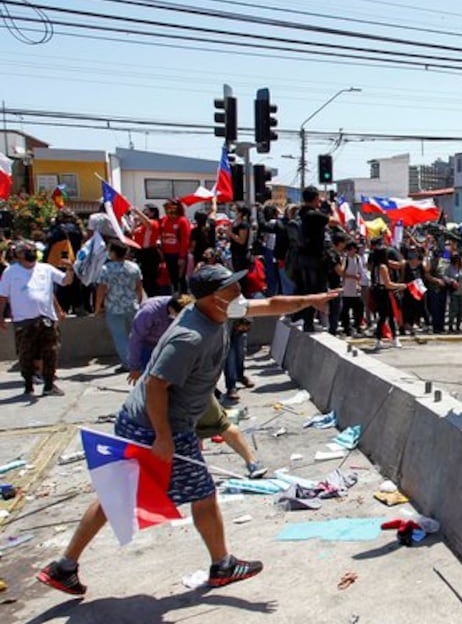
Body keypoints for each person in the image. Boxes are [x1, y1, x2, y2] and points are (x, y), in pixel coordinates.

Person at [36, 265, 338, 596]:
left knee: (118, 495)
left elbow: (270, 304)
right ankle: (222, 565)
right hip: (158, 425)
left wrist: (312, 299)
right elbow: (155, 385)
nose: (239, 293)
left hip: (146, 422)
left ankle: (64, 566)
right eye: (231, 288)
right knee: (202, 494)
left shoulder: (218, 310)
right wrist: (163, 437)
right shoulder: (189, 337)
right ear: (212, 297)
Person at [127, 293, 265, 478]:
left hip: (190, 391)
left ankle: (251, 462)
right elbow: (139, 343)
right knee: (208, 427)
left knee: (218, 424)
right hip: (184, 391)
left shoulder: (192, 332)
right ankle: (241, 462)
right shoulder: (170, 319)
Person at [0, 240, 75, 396]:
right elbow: (3, 296)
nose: (31, 252)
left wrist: (70, 268)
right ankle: (28, 384)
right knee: (26, 353)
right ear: (18, 254)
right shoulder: (10, 272)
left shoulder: (46, 268)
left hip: (46, 318)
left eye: (33, 249)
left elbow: (65, 281)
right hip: (23, 320)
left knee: (51, 352)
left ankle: (49, 385)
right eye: (26, 250)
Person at [94, 241, 144, 372]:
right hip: (132, 305)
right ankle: (139, 360)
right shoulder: (133, 267)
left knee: (120, 337)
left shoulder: (106, 269)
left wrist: (98, 307)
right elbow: (139, 286)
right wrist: (139, 301)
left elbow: (101, 289)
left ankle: (128, 364)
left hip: (114, 307)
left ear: (114, 253)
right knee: (136, 335)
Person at [295, 187, 331, 332]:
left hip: (302, 256)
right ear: (315, 198)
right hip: (315, 257)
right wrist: (331, 208)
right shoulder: (314, 215)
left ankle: (306, 320)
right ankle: (309, 322)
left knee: (306, 289)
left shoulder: (301, 213)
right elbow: (335, 221)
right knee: (316, 290)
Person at [159, 200, 191, 293]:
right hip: (167, 253)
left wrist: (182, 257)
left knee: (180, 278)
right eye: (166, 208)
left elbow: (185, 240)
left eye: (170, 208)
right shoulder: (164, 219)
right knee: (172, 278)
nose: (168, 210)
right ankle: (175, 295)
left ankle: (184, 297)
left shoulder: (182, 221)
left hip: (178, 254)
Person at [444, 252, 462, 333]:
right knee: (453, 310)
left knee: (461, 311)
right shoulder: (449, 268)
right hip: (454, 293)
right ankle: (450, 327)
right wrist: (451, 281)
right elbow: (445, 277)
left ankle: (458, 327)